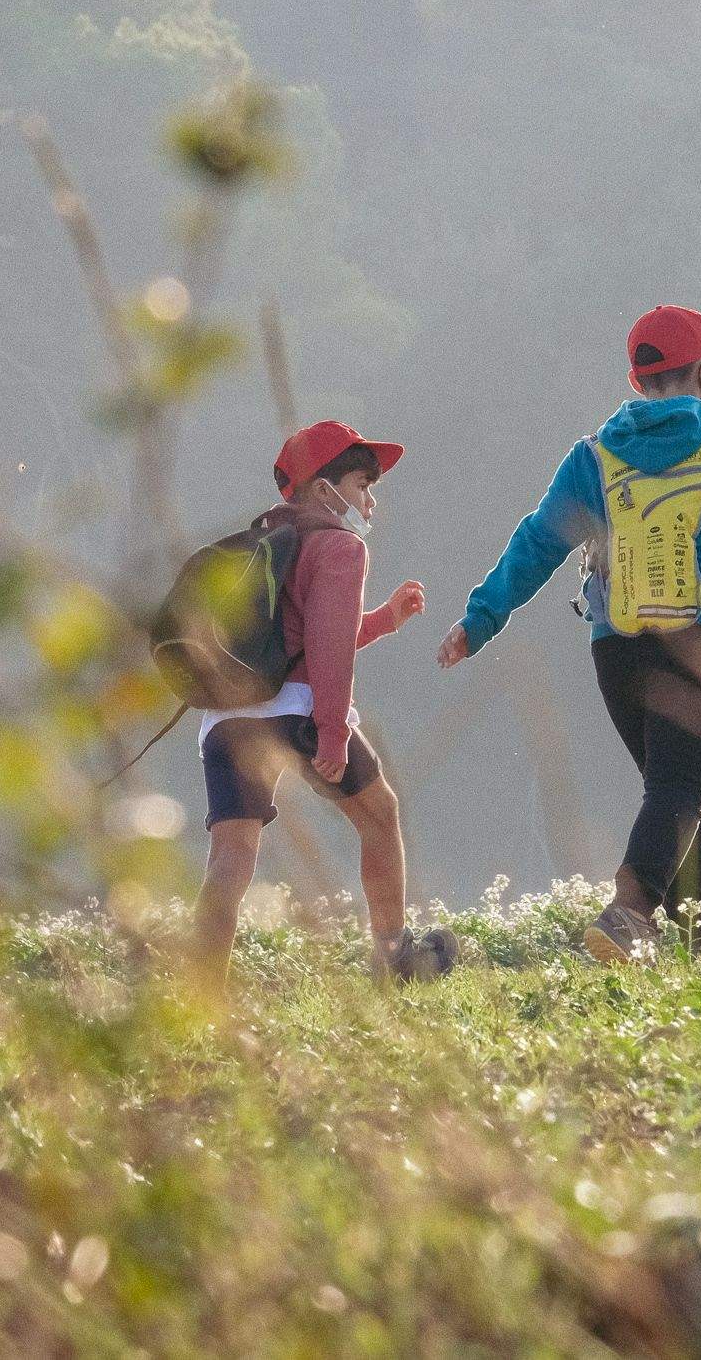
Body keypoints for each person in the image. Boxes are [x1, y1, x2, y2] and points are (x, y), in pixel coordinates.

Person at [438, 305, 701, 963]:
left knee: (679, 785)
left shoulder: (592, 460)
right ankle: (628, 913)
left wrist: (481, 617)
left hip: (617, 653)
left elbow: (537, 543)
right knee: (680, 787)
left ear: (639, 382)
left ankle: (700, 939)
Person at [192, 420, 428, 994]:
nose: (367, 498)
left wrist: (383, 622)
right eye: (360, 483)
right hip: (300, 712)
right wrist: (331, 733)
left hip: (225, 719)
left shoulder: (257, 546)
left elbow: (310, 633)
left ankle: (200, 989)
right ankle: (391, 957)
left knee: (232, 853)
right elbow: (325, 650)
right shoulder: (338, 546)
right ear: (324, 490)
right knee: (379, 816)